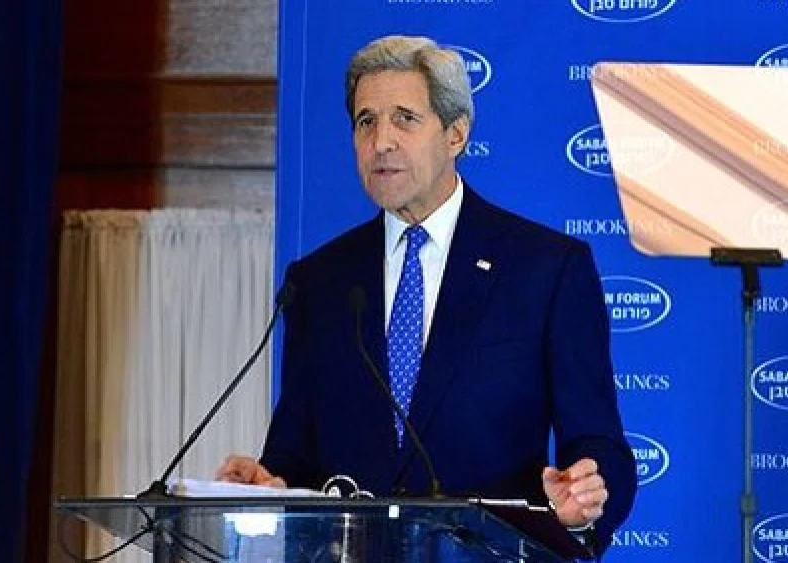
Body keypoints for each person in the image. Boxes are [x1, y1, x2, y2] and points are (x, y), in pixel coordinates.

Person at [217, 35, 636, 556]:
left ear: (456, 133)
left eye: (404, 119)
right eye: (366, 121)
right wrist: (269, 482)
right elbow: (293, 454)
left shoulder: (545, 269)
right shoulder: (320, 280)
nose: (381, 141)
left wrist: (580, 503)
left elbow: (598, 443)